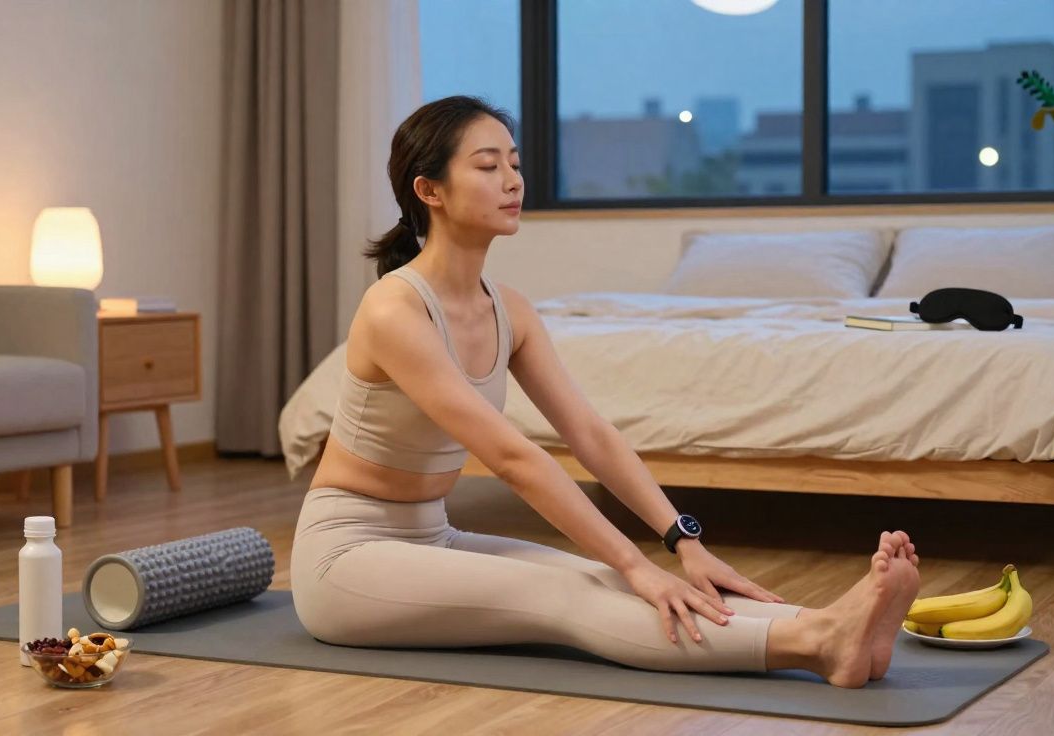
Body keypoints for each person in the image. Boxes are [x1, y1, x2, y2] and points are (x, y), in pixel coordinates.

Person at [290, 95, 920, 687]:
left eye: (514, 162)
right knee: (570, 593)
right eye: (488, 166)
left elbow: (591, 435)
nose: (513, 180)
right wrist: (637, 563)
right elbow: (514, 458)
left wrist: (683, 543)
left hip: (433, 535)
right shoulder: (394, 309)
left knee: (599, 578)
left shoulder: (510, 309)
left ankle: (831, 628)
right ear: (429, 190)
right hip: (347, 557)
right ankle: (815, 646)